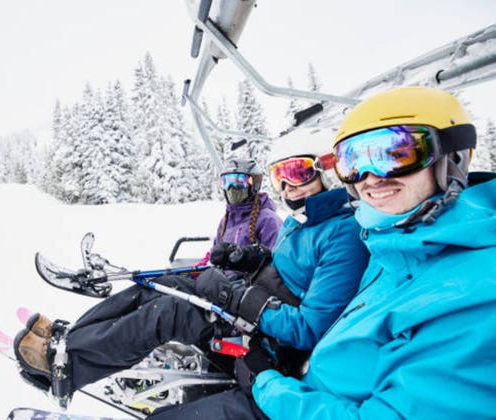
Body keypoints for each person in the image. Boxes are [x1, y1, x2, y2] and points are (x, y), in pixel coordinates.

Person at [154, 86, 496, 419]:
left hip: (290, 395)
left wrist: (268, 381)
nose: (371, 178)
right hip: (301, 383)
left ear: (452, 157)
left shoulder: (475, 293)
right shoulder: (389, 243)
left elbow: (313, 322)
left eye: (396, 154)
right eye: (353, 161)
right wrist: (253, 261)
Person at [13, 128, 369, 416]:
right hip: (249, 309)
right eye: (281, 175)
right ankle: (73, 339)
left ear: (330, 172)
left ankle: (69, 365)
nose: (289, 186)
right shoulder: (304, 222)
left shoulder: (343, 235)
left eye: (298, 172)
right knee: (161, 285)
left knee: (172, 308)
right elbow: (286, 271)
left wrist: (236, 296)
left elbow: (308, 327)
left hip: (263, 336)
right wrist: (248, 259)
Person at [197, 158, 283, 267]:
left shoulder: (268, 220)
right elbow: (214, 253)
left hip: (250, 282)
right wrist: (200, 268)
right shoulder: (226, 220)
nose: (231, 188)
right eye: (226, 182)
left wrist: (249, 259)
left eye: (239, 182)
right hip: (223, 279)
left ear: (254, 184)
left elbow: (276, 263)